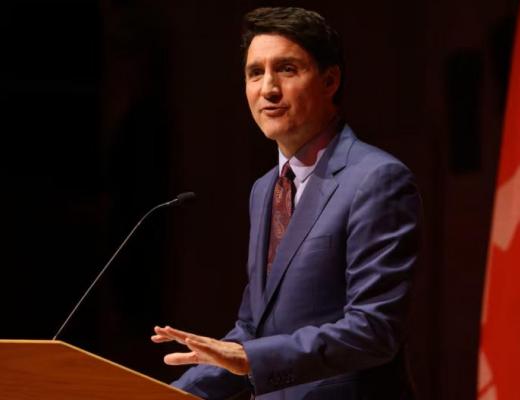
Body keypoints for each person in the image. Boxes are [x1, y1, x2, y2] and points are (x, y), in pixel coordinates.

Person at [152, 7, 421, 400]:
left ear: (330, 81)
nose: (268, 89)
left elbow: (374, 330)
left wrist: (249, 356)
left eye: (287, 69)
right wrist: (169, 394)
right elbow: (254, 330)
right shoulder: (265, 189)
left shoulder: (376, 179)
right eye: (255, 73)